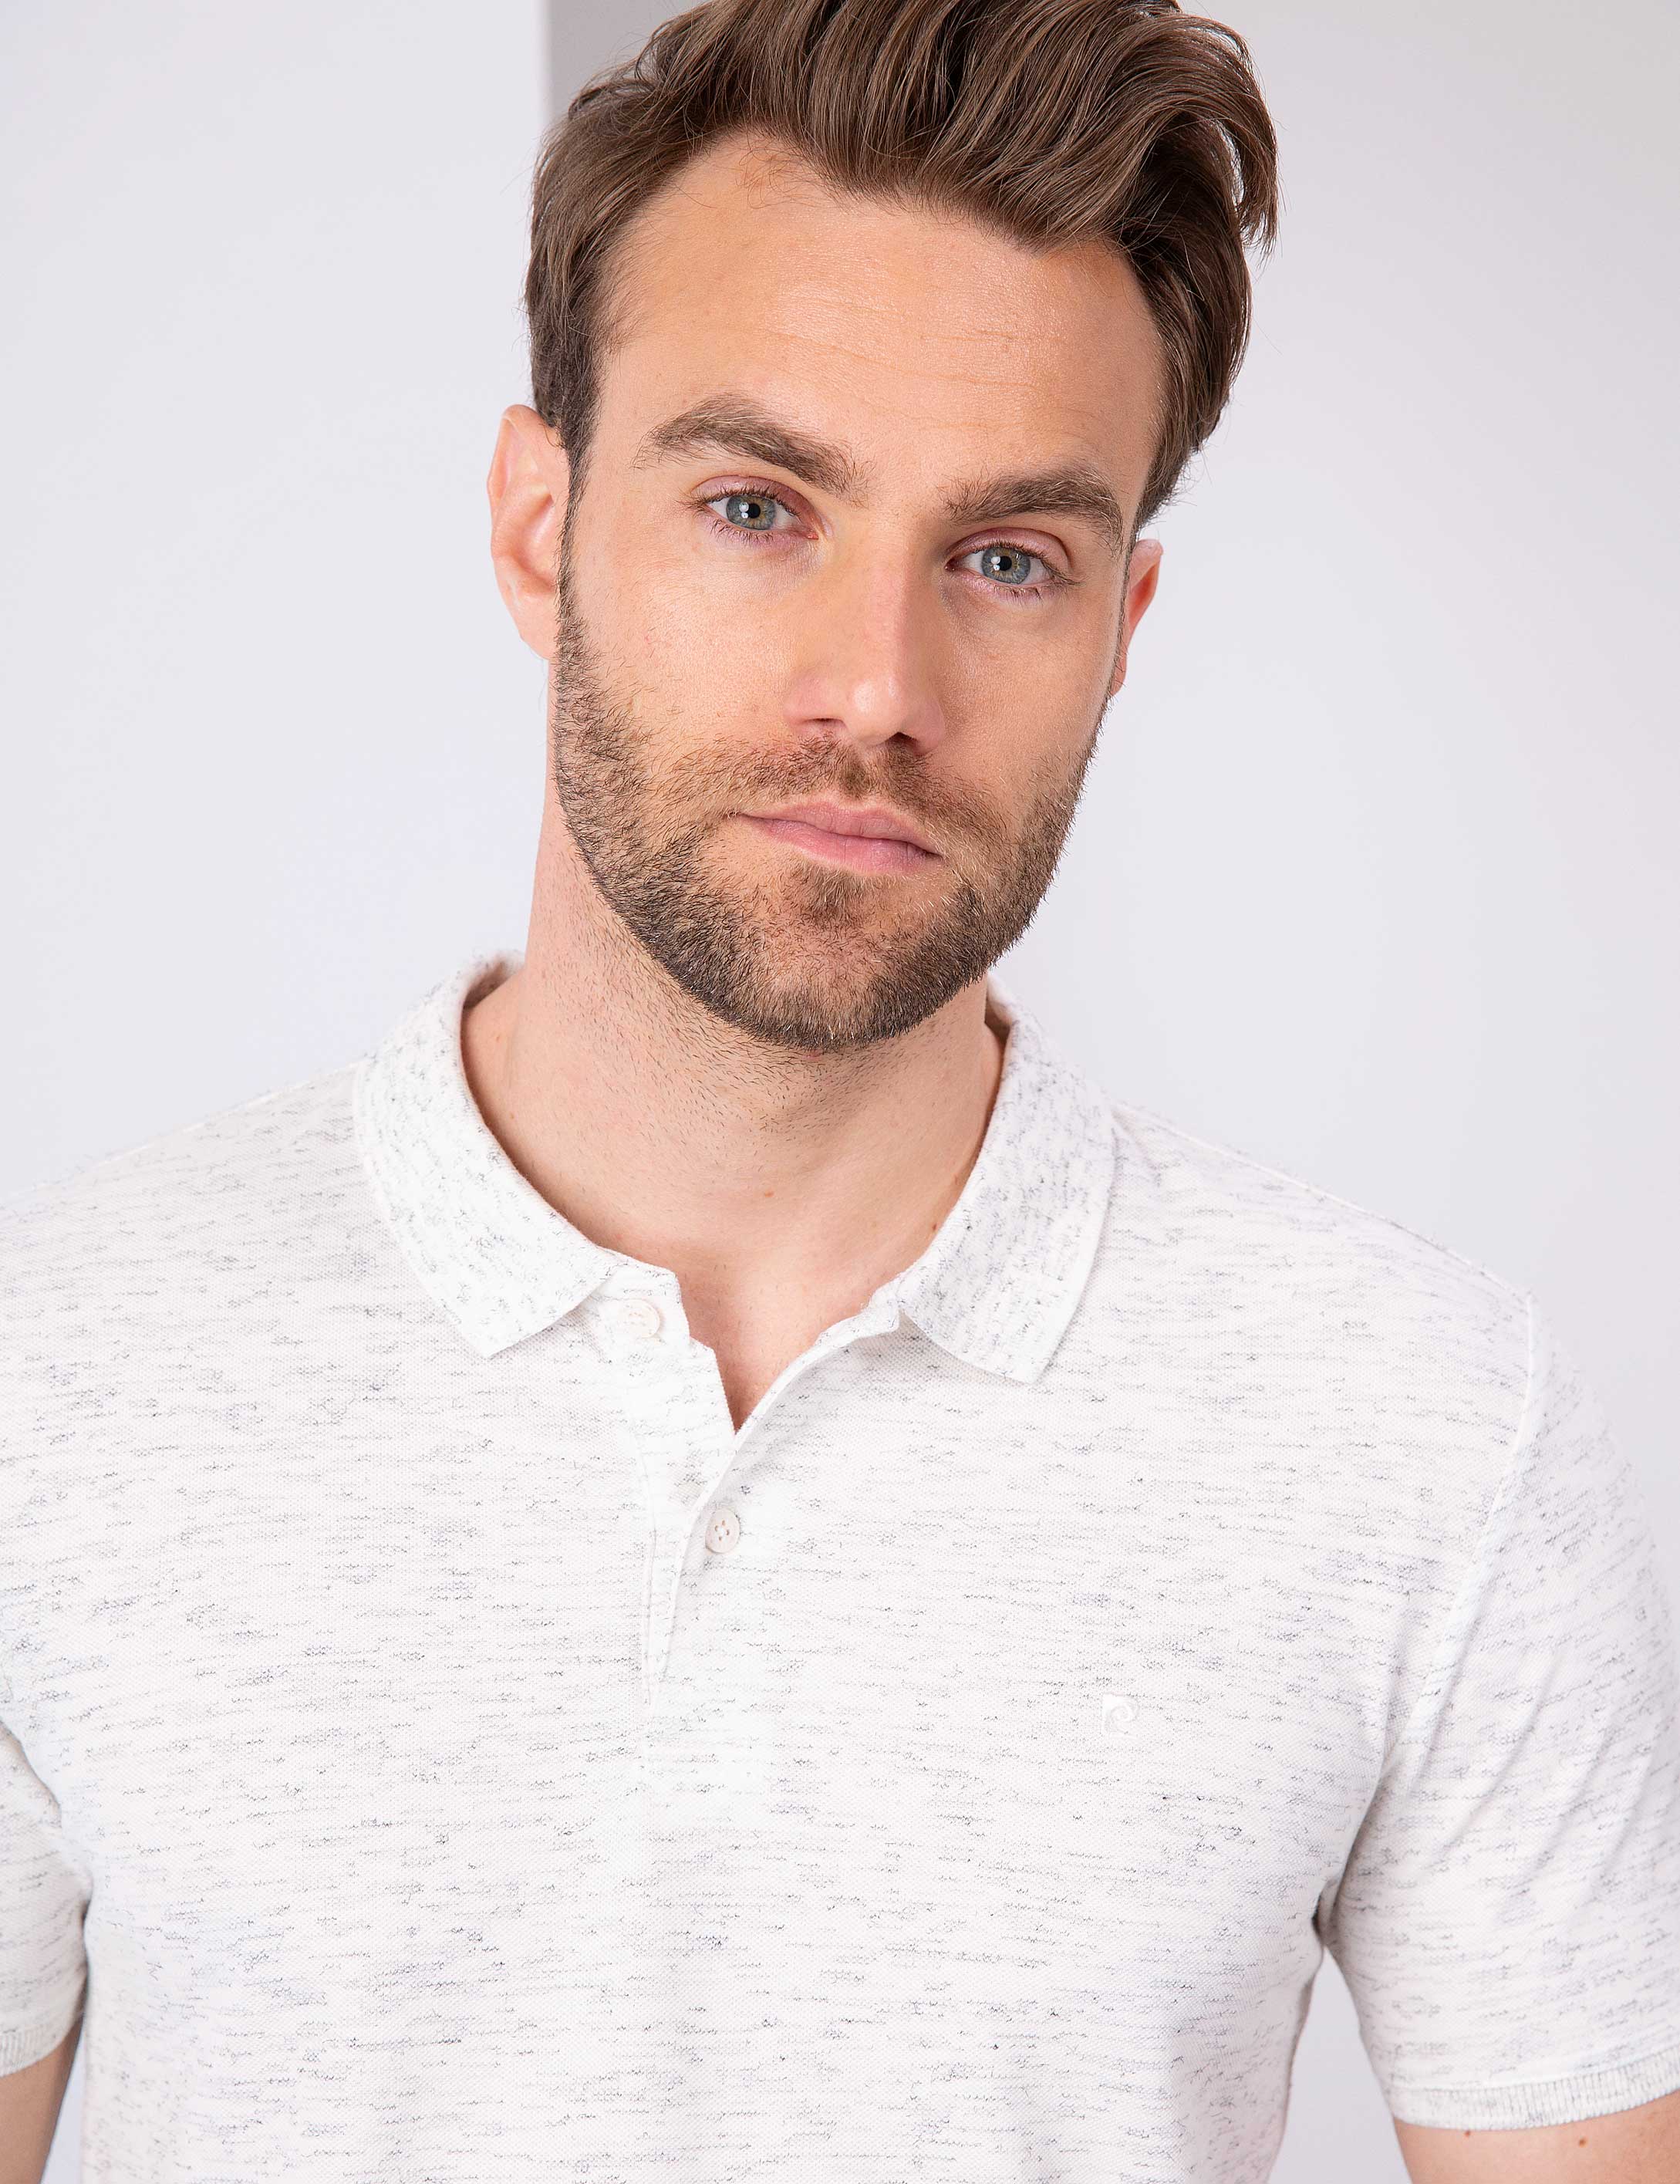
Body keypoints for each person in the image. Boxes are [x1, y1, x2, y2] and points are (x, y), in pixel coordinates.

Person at [3, 0, 1678, 2176]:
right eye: (755, 506)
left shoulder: (1429, 1438)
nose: (876, 689)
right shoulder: (57, 1378)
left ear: (1122, 624)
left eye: (1006, 558)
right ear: (539, 528)